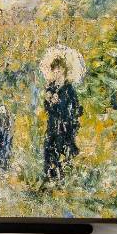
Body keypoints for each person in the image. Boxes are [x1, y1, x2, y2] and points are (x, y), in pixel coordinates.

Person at [40, 46, 83, 182]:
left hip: (65, 126)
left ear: (64, 70)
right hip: (52, 125)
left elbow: (75, 109)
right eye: (55, 69)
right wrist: (49, 101)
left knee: (62, 149)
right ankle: (50, 177)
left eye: (59, 69)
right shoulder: (50, 87)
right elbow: (47, 109)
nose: (57, 71)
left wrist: (60, 103)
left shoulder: (69, 89)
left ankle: (62, 177)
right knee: (48, 148)